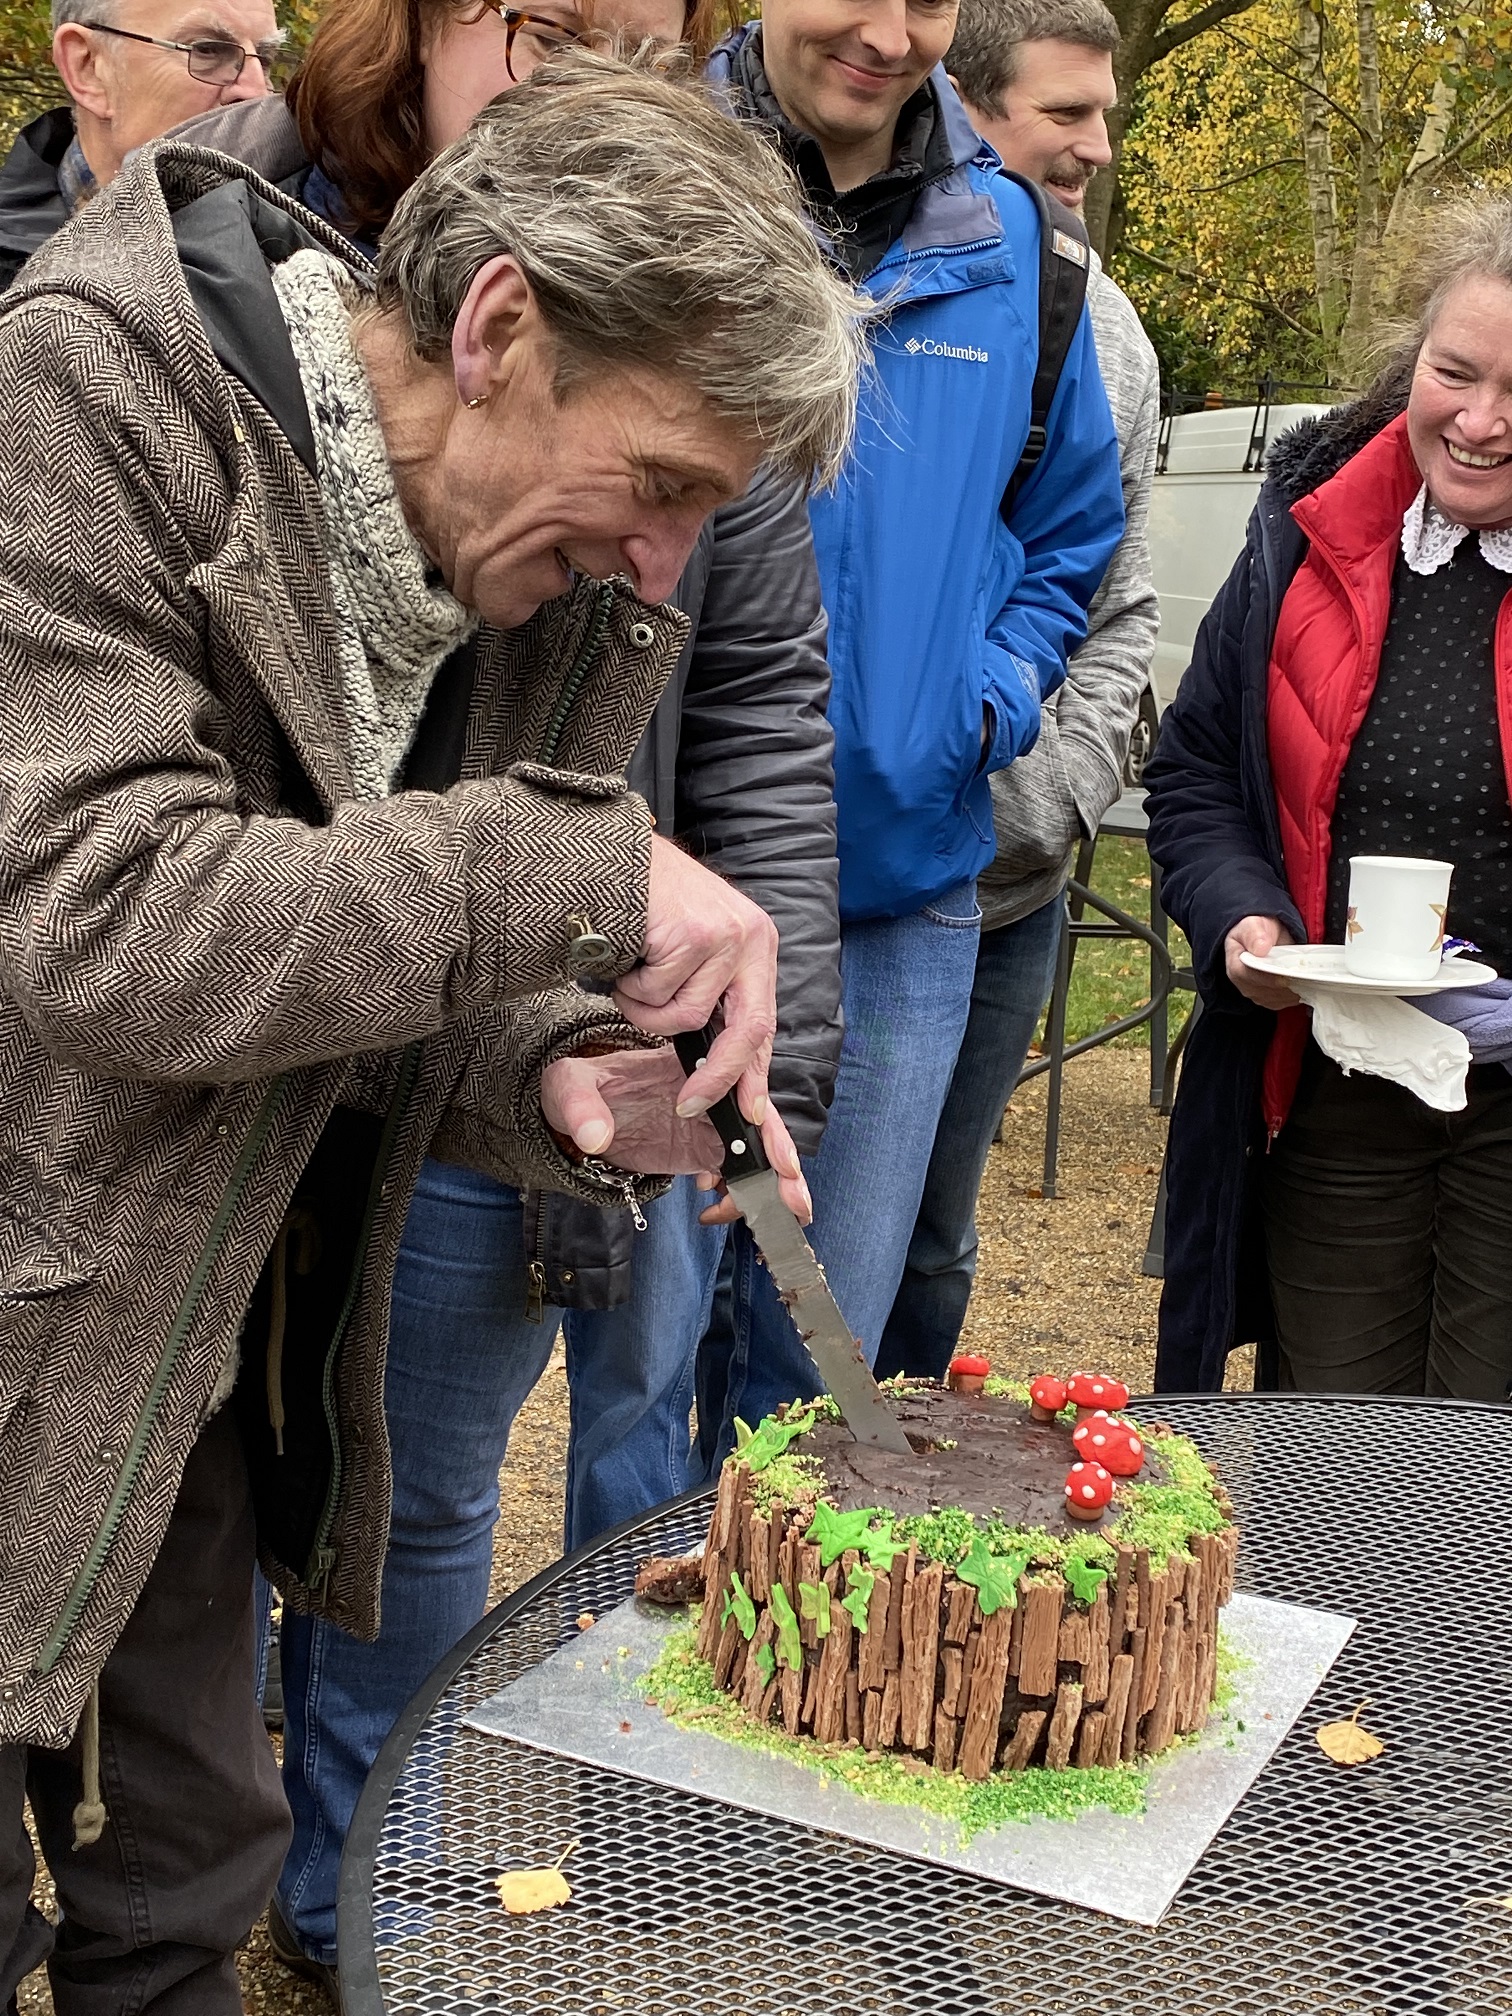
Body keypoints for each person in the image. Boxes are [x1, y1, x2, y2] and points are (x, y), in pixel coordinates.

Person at [0, 56, 862, 2015]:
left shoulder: (485, 549)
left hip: (172, 1343)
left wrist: (546, 1066)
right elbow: (109, 923)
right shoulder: (84, 390)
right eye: (664, 487)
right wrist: (581, 865)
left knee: (185, 1880)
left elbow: (353, 973)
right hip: (28, 1287)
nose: (663, 569)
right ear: (497, 329)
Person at [694, 0, 1126, 1454]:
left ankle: (779, 1608)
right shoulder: (655, 162)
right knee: (636, 1376)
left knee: (822, 1352)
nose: (888, 33)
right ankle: (635, 1609)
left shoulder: (1022, 253)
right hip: (672, 889)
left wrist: (981, 701)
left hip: (900, 890)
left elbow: (1070, 530)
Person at [1145, 194, 1512, 1403]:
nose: (1481, 422)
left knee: (1484, 1460)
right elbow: (1198, 773)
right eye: (1455, 373)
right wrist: (1240, 917)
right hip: (1335, 1085)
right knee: (1333, 1444)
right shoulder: (1305, 530)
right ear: (1413, 357)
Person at [877, 0, 1161, 1378]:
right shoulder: (867, 274)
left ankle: (904, 1478)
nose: (1096, 145)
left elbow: (1121, 608)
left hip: (1006, 893)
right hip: (835, 868)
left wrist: (1031, 797)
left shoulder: (1104, 329)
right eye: (1066, 113)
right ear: (968, 109)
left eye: (1106, 113)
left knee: (932, 1240)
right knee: (760, 1236)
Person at [0, 0, 280, 288]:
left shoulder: (296, 240)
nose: (256, 91)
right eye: (207, 50)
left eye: (265, 59)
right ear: (88, 68)